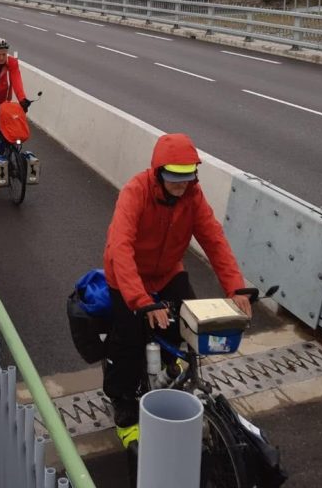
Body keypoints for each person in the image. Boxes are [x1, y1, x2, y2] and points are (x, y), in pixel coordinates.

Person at [102, 132, 251, 452]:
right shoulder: (135, 192)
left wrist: (236, 288)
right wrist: (140, 300)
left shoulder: (192, 197)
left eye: (188, 177)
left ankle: (170, 367)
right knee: (128, 341)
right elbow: (120, 247)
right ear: (158, 172)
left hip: (167, 273)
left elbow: (214, 239)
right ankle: (124, 413)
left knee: (188, 323)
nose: (181, 185)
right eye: (174, 178)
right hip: (127, 277)